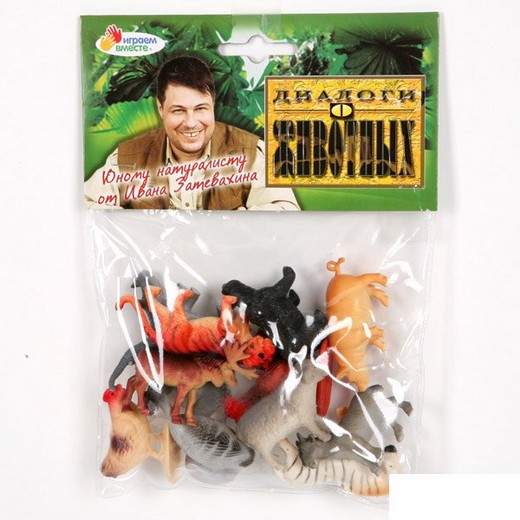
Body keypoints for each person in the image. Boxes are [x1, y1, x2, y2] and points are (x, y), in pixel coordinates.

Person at [84, 55, 300, 211]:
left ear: (213, 104)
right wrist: (136, 226)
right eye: (178, 110)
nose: (190, 123)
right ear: (160, 108)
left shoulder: (252, 153)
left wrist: (236, 225)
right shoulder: (126, 158)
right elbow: (85, 206)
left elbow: (285, 214)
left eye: (200, 109)